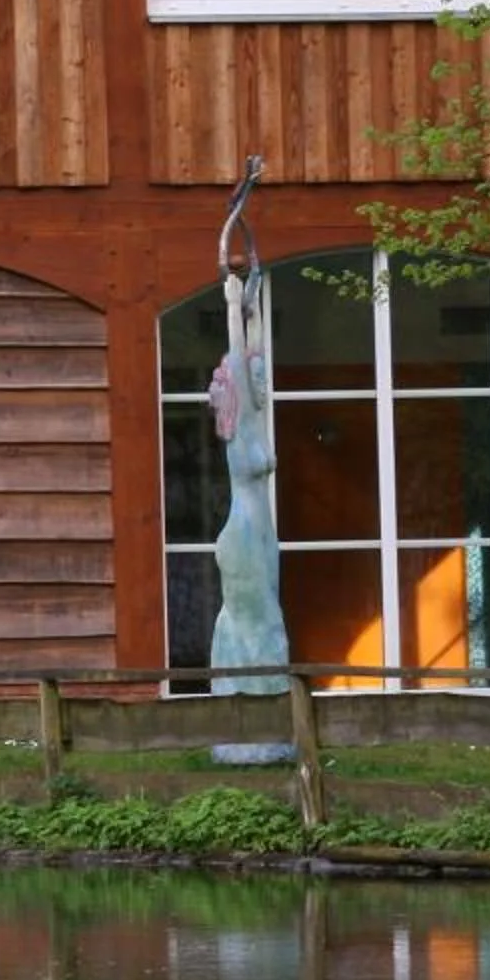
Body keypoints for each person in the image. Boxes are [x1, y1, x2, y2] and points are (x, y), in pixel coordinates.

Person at [208, 263, 288, 694]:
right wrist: (231, 307)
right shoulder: (238, 426)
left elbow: (255, 357)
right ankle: (246, 725)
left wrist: (254, 314)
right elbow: (240, 359)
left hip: (262, 532)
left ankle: (270, 728)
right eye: (256, 378)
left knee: (266, 619)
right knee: (259, 625)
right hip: (240, 535)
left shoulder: (256, 414)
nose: (263, 382)